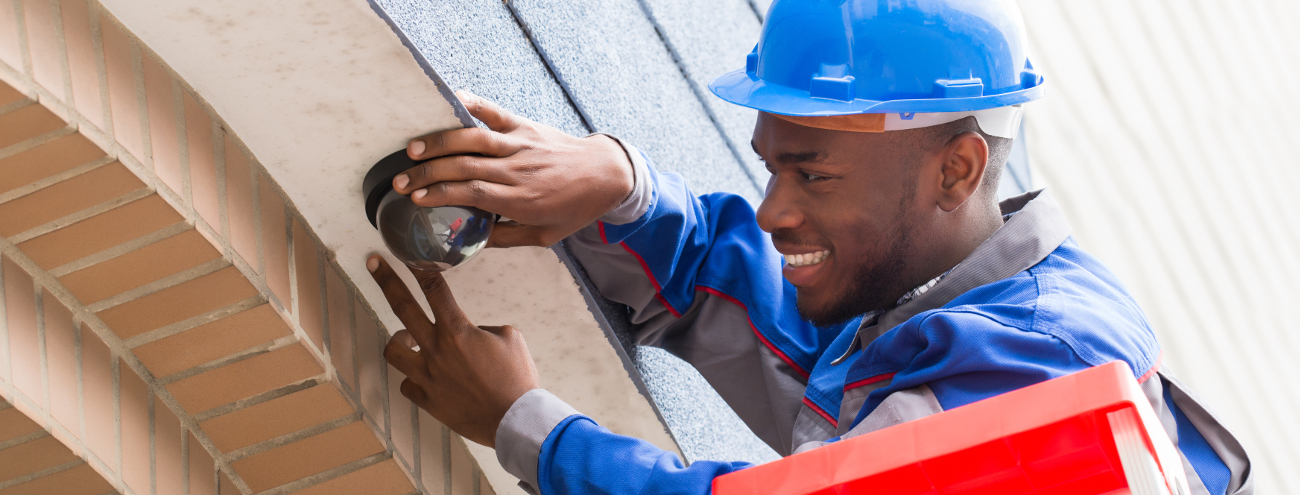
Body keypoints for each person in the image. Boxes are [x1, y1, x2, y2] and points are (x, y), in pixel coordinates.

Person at [365, 1, 1253, 494]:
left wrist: (527, 426)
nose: (773, 210)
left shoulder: (1034, 371)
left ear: (956, 168)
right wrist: (621, 189)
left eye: (813, 174)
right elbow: (786, 339)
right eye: (770, 168)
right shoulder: (951, 311)